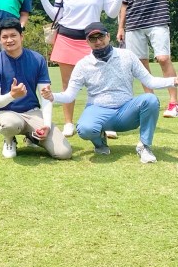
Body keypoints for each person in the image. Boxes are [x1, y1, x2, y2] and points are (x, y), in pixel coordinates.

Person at [42, 22, 178, 163]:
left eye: (101, 37)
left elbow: (150, 81)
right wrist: (52, 96)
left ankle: (144, 146)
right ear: (87, 42)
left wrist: (173, 81)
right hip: (98, 110)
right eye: (92, 39)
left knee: (150, 100)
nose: (98, 42)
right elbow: (70, 95)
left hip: (126, 111)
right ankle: (100, 142)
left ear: (108, 36)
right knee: (85, 129)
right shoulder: (83, 65)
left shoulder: (127, 56)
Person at [37, 0, 127, 137]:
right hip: (66, 38)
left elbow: (112, 13)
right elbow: (57, 16)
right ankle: (68, 123)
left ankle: (106, 122)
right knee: (67, 83)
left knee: (102, 82)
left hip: (92, 40)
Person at [0, 19, 72, 160]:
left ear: (21, 37)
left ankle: (32, 137)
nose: (9, 40)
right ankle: (9, 140)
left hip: (33, 112)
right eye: (4, 37)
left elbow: (45, 96)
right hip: (6, 113)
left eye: (13, 35)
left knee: (64, 152)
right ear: (0, 40)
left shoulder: (37, 59)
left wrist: (47, 125)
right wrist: (12, 95)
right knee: (9, 125)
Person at [117, 0, 178, 118]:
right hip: (134, 24)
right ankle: (151, 101)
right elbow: (124, 3)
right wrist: (121, 28)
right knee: (141, 65)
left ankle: (174, 103)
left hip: (157, 21)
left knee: (163, 59)